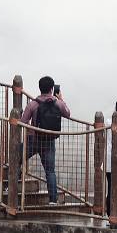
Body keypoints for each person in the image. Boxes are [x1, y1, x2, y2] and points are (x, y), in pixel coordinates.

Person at [19, 76, 71, 204]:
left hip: (32, 139)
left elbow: (23, 122)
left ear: (40, 88)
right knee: (50, 171)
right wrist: (61, 99)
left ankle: (9, 186)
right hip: (49, 140)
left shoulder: (33, 104)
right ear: (52, 89)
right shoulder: (58, 103)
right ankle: (53, 200)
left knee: (16, 158)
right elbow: (68, 114)